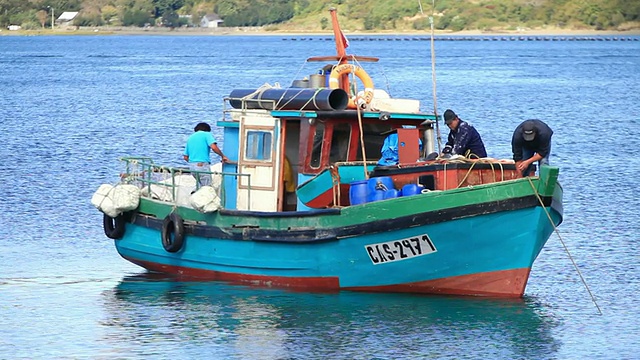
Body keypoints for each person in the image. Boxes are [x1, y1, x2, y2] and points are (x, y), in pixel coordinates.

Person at [183, 122, 229, 187]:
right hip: (202, 165)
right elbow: (213, 147)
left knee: (200, 185)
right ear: (207, 130)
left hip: (192, 166)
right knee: (207, 187)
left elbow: (185, 157)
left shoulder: (190, 138)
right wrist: (222, 156)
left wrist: (194, 162)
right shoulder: (206, 134)